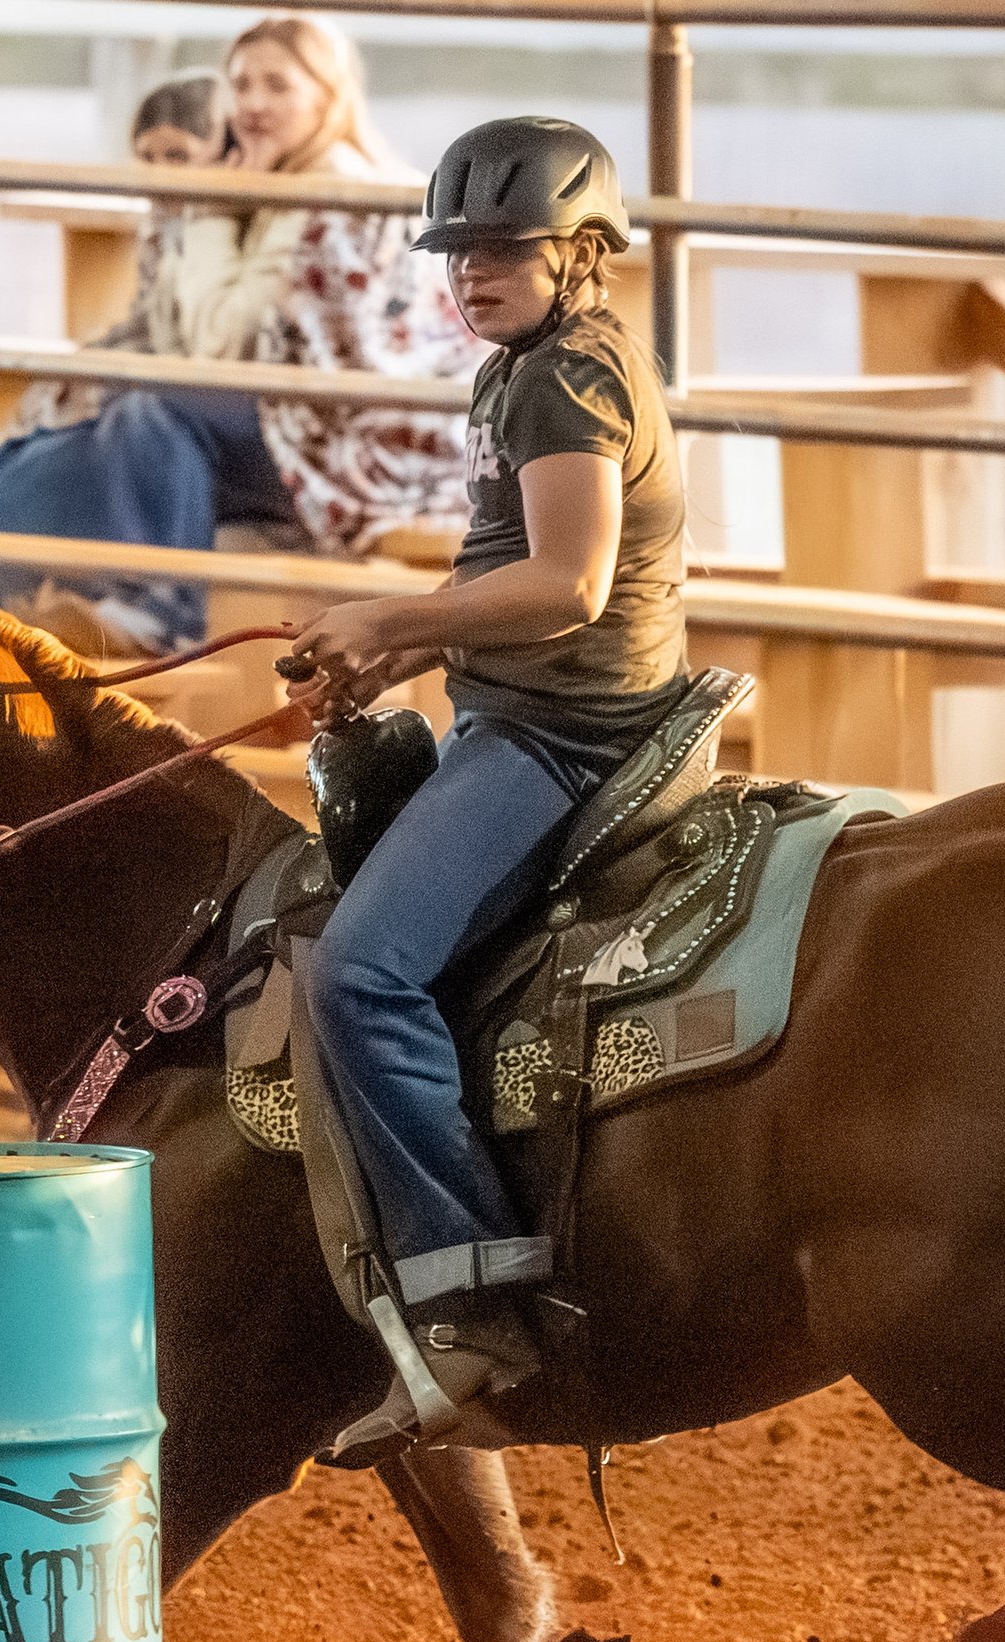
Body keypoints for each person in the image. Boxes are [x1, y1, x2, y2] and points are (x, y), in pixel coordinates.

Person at [281, 117, 688, 1466]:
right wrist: (398, 632)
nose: (471, 271)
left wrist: (396, 626)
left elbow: (570, 585)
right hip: (535, 711)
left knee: (358, 975)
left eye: (504, 247)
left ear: (581, 253)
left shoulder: (562, 380)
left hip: (560, 736)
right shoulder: (539, 366)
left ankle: (470, 1303)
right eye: (456, 251)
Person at [0, 17, 478, 650]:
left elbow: (218, 354)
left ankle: (163, 614)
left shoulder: (335, 195)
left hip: (349, 441)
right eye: (241, 85)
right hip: (267, 424)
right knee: (42, 457)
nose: (252, 104)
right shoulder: (268, 183)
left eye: (278, 85)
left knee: (148, 409)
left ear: (327, 96)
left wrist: (212, 207)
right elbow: (179, 338)